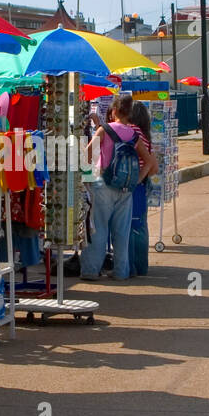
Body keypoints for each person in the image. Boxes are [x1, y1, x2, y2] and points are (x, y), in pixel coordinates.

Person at [80, 93, 156, 280]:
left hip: (103, 184)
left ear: (114, 110)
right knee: (121, 232)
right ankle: (121, 272)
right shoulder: (133, 134)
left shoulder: (104, 130)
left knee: (98, 228)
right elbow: (149, 161)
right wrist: (137, 179)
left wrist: (91, 169)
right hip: (126, 188)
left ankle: (91, 270)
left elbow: (86, 154)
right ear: (129, 113)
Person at [127, 101, 157, 276]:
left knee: (132, 226)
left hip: (135, 184)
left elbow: (150, 163)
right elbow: (153, 165)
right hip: (143, 184)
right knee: (140, 224)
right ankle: (140, 265)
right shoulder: (145, 135)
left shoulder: (133, 132)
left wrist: (138, 178)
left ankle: (133, 266)